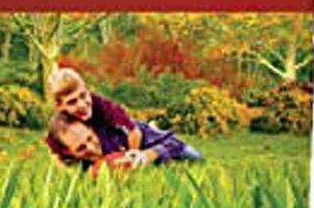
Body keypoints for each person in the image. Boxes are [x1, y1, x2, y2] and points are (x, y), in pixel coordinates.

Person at [45, 66, 203, 168]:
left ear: (87, 90)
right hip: (114, 145)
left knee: (195, 158)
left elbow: (134, 131)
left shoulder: (101, 105)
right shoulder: (61, 126)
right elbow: (56, 154)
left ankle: (154, 132)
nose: (81, 105)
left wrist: (132, 154)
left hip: (140, 136)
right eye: (72, 102)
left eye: (83, 96)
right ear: (59, 106)